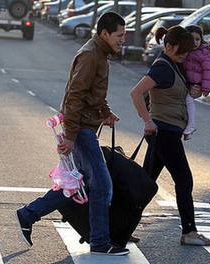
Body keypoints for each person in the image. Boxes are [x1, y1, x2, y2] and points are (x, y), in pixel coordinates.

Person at [15, 11, 130, 256]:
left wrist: (106, 112)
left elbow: (92, 93)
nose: (123, 40)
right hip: (81, 130)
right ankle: (99, 241)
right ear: (105, 34)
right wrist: (70, 135)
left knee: (77, 183)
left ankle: (28, 214)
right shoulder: (91, 55)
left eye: (124, 35)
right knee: (102, 185)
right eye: (119, 35)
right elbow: (74, 96)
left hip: (84, 126)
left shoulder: (100, 53)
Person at [129, 25, 210, 246]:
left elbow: (179, 92)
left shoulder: (175, 65)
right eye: (180, 51)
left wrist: (194, 90)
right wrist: (147, 120)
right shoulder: (163, 67)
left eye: (187, 51)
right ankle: (189, 232)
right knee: (184, 180)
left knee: (146, 183)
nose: (184, 55)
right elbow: (136, 92)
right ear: (168, 46)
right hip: (163, 132)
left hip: (167, 131)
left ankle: (120, 227)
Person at [181, 24, 210, 140]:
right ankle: (188, 129)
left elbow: (209, 72)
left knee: (188, 101)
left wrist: (205, 88)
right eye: (192, 40)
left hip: (195, 84)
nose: (195, 42)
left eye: (197, 39)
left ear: (202, 39)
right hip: (186, 82)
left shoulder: (205, 53)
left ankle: (191, 125)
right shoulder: (186, 51)